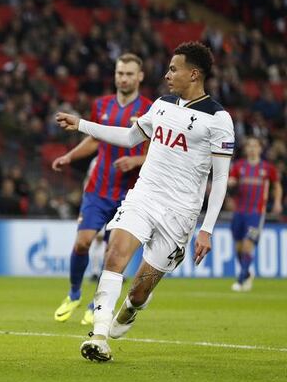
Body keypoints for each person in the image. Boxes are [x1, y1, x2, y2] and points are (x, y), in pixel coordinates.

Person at [55, 41, 234, 362]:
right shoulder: (162, 105)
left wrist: (206, 229)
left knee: (139, 290)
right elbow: (128, 137)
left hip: (180, 213)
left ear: (194, 74)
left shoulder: (218, 119)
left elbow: (219, 178)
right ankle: (98, 335)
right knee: (114, 254)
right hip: (144, 195)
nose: (167, 75)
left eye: (173, 69)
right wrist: (81, 124)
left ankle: (131, 308)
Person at [51, 53, 151, 326]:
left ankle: (98, 305)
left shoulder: (151, 109)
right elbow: (95, 140)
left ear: (140, 76)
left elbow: (159, 152)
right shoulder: (102, 105)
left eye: (129, 73)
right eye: (120, 73)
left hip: (128, 195)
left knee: (111, 255)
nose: (124, 78)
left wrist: (136, 160)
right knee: (82, 242)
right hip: (98, 189)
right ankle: (73, 294)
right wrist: (70, 156)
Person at [228, 137, 282, 291]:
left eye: (255, 146)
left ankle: (240, 279)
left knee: (247, 245)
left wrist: (277, 201)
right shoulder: (239, 167)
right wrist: (230, 185)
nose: (252, 149)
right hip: (239, 212)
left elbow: (276, 186)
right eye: (249, 146)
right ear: (246, 149)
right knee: (238, 247)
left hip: (256, 213)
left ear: (260, 149)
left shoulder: (267, 168)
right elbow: (231, 183)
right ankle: (247, 272)